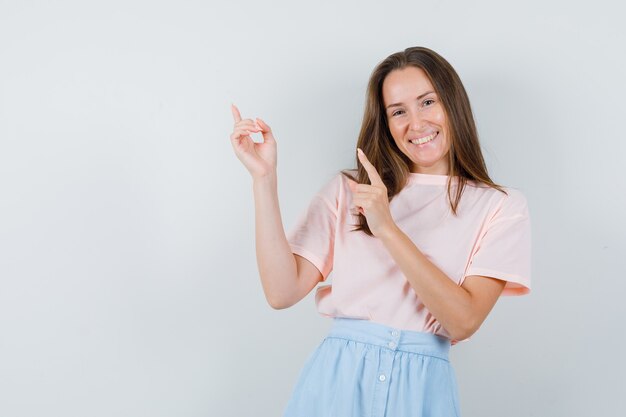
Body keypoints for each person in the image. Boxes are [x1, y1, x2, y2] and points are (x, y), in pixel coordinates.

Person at [229, 46, 531, 417]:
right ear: (385, 123)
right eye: (398, 111)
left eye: (427, 102)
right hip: (335, 382)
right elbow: (281, 291)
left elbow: (463, 320)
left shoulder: (500, 206)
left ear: (453, 104)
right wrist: (264, 179)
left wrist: (387, 228)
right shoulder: (349, 190)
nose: (416, 124)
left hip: (421, 392)